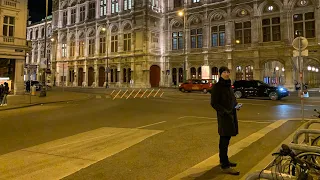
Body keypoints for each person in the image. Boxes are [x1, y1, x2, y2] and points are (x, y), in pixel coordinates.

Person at [210, 66, 240, 175]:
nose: (227, 74)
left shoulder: (228, 86)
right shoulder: (217, 87)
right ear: (220, 74)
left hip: (232, 115)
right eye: (224, 72)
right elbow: (214, 103)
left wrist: (236, 105)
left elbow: (232, 99)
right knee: (224, 140)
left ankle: (225, 160)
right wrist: (224, 112)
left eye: (228, 72)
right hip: (224, 117)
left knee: (227, 139)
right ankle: (224, 165)